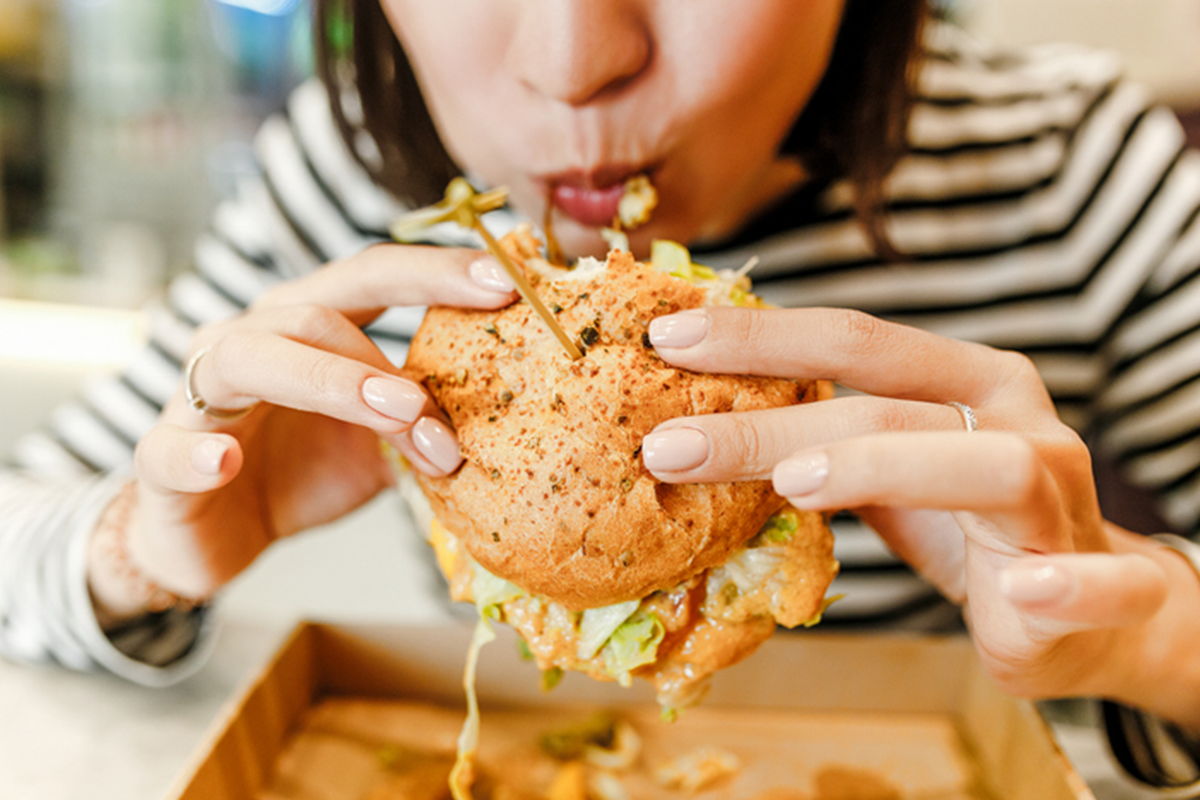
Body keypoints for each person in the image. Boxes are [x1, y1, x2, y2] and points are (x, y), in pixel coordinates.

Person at [3, 0, 1200, 788]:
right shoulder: (359, 176)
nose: (573, 64)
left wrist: (1154, 637)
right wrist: (142, 544)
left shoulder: (1074, 172)